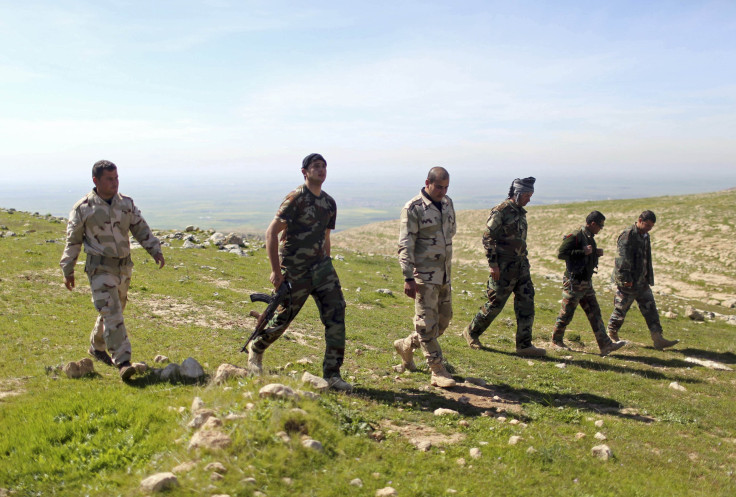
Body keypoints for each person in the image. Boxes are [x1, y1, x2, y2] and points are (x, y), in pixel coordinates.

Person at [247, 153, 352, 392]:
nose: (321, 170)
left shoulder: (329, 203)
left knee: (336, 316)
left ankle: (333, 375)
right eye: (316, 166)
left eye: (324, 166)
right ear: (304, 172)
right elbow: (271, 233)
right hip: (296, 271)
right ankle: (256, 348)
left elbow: (326, 238)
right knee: (283, 319)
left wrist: (327, 264)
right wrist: (276, 271)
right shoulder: (296, 198)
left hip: (323, 270)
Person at [60, 160, 165, 380]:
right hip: (99, 268)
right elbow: (73, 241)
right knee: (112, 311)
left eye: (116, 178)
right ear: (96, 181)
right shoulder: (83, 208)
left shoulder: (125, 204)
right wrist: (68, 268)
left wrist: (155, 249)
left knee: (114, 308)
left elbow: (140, 227)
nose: (114, 183)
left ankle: (97, 346)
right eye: (109, 179)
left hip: (124, 267)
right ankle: (123, 361)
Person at [462, 177, 546, 356]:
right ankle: (471, 332)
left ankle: (524, 346)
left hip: (521, 266)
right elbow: (487, 237)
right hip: (503, 267)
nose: (529, 199)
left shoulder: (520, 212)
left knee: (526, 303)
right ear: (517, 194)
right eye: (526, 195)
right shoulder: (501, 211)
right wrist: (493, 265)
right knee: (495, 303)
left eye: (531, 195)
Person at [394, 167, 457, 388]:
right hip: (423, 277)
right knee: (426, 324)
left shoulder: (448, 203)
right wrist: (408, 277)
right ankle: (437, 370)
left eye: (446, 187)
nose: (442, 191)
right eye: (438, 186)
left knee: (443, 321)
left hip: (444, 275)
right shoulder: (413, 208)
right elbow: (405, 244)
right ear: (427, 183)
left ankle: (407, 344)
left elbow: (450, 233)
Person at [551, 211, 628, 356]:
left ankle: (605, 345)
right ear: (593, 224)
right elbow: (561, 253)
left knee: (595, 312)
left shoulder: (589, 237)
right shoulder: (576, 235)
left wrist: (594, 253)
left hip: (586, 283)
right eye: (600, 226)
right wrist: (582, 252)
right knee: (566, 313)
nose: (601, 229)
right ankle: (556, 340)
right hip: (574, 282)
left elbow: (586, 254)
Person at [606, 210, 679, 350]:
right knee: (620, 310)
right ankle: (611, 335)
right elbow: (621, 260)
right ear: (639, 220)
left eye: (651, 226)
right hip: (628, 282)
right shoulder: (628, 235)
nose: (648, 228)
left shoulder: (645, 236)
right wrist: (625, 279)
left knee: (651, 309)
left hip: (642, 282)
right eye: (647, 225)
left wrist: (647, 277)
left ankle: (658, 338)